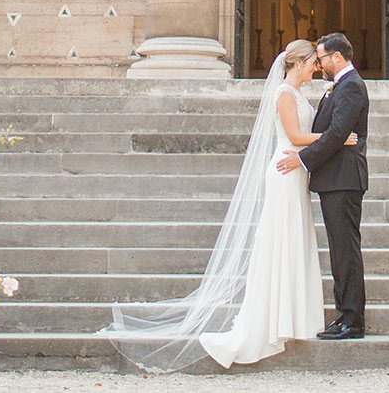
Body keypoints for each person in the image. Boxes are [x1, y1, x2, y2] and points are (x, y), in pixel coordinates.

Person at [100, 38, 356, 371]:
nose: (316, 68)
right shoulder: (283, 94)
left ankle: (290, 318)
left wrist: (324, 142)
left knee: (292, 241)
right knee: (281, 241)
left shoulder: (297, 94)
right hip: (285, 169)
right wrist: (337, 138)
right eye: (312, 63)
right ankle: (272, 320)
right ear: (297, 63)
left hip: (296, 171)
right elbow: (293, 136)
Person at [277, 32, 370, 339]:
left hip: (343, 179)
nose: (319, 64)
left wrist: (302, 160)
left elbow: (337, 133)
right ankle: (345, 316)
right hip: (334, 178)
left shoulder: (351, 87)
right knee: (340, 249)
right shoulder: (340, 86)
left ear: (337, 57)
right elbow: (329, 134)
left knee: (345, 251)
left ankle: (351, 321)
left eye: (322, 58)